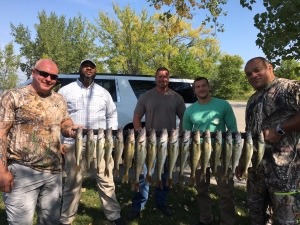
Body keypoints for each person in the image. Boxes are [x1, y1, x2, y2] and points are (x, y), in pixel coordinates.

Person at [0, 59, 78, 225]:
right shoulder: (13, 96)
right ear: (33, 73)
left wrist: (70, 129)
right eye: (44, 74)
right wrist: (2, 171)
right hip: (22, 172)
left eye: (53, 76)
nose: (48, 79)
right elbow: (1, 132)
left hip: (54, 173)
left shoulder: (59, 99)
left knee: (51, 222)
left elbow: (64, 122)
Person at [58, 59, 125, 225]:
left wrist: (111, 137)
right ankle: (67, 218)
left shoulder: (103, 92)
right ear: (80, 68)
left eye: (92, 67)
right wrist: (60, 141)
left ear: (95, 71)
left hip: (99, 144)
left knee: (106, 180)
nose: (89, 68)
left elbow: (112, 115)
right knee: (72, 183)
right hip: (73, 144)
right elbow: (58, 118)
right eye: (85, 66)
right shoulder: (65, 91)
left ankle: (113, 215)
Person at [236, 57, 300, 224]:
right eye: (249, 74)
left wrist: (280, 129)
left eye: (258, 70)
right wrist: (243, 162)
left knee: (285, 221)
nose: (253, 76)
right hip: (257, 173)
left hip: (286, 175)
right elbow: (250, 135)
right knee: (257, 217)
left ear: (270, 68)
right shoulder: (252, 100)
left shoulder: (290, 87)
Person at [127, 67, 186, 220]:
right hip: (149, 143)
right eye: (160, 77)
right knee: (143, 174)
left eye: (165, 77)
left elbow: (185, 118)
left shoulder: (176, 97)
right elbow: (137, 116)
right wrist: (139, 132)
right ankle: (138, 205)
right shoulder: (146, 96)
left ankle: (161, 203)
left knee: (165, 174)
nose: (162, 79)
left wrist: (181, 133)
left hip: (169, 143)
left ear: (169, 78)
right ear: (155, 78)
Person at [182, 77, 238, 225]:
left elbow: (233, 129)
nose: (201, 89)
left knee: (225, 190)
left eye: (204, 86)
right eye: (198, 87)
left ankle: (228, 220)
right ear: (194, 90)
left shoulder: (223, 105)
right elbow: (186, 135)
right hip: (198, 153)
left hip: (221, 152)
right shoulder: (190, 111)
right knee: (202, 190)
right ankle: (205, 219)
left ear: (209, 87)